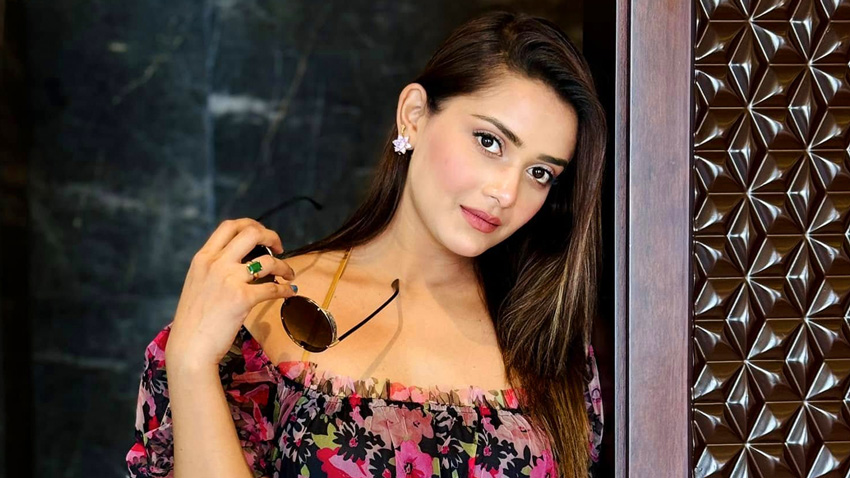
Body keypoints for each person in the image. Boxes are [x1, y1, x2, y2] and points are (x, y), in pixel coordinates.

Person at [125, 9, 606, 478]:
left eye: (539, 172)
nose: (507, 192)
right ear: (414, 116)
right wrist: (190, 362)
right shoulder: (260, 318)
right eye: (489, 142)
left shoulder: (551, 345)